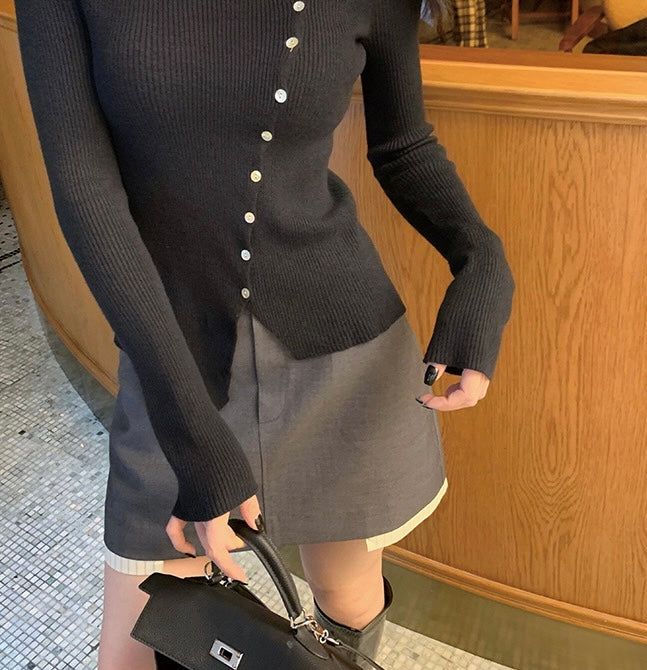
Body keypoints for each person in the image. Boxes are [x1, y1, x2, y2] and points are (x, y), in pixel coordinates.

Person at [15, 0, 515, 668]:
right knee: (135, 648)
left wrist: (482, 259)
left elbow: (404, 144)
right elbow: (83, 186)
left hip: (343, 347)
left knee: (344, 611)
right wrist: (191, 434)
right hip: (173, 360)